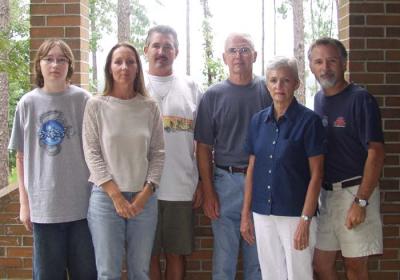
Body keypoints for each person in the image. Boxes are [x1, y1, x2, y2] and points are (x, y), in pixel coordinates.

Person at [8, 39, 97, 279]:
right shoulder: (27, 103)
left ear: (70, 65)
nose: (54, 64)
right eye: (48, 59)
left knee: (87, 273)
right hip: (44, 209)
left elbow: (97, 151)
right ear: (39, 64)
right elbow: (21, 156)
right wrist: (24, 205)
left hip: (83, 208)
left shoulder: (84, 100)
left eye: (61, 59)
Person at [82, 42, 165, 279]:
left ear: (138, 68)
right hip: (106, 200)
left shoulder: (149, 107)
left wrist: (145, 193)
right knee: (108, 272)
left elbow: (158, 153)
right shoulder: (95, 105)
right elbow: (92, 152)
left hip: (144, 200)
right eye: (118, 61)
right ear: (109, 67)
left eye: (130, 62)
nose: (124, 67)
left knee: (140, 271)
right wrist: (116, 196)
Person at [240, 56, 326, 280]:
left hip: (295, 214)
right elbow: (252, 169)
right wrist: (245, 214)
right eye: (273, 80)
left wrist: (305, 220)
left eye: (285, 80)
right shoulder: (258, 121)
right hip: (262, 212)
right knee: (271, 274)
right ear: (267, 84)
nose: (279, 86)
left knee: (299, 275)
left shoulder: (310, 122)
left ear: (296, 83)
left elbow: (317, 175)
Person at [194, 32, 272, 280]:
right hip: (224, 183)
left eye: (245, 49)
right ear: (224, 57)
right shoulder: (213, 96)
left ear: (255, 56)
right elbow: (204, 147)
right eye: (233, 50)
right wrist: (208, 191)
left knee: (257, 263)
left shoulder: (268, 90)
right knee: (224, 263)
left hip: (261, 183)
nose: (239, 55)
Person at [309, 37, 385, 280]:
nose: (325, 67)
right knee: (321, 264)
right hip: (327, 196)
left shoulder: (360, 99)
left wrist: (361, 202)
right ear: (311, 66)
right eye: (318, 62)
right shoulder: (318, 100)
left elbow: (376, 152)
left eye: (332, 60)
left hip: (356, 192)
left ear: (344, 63)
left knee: (354, 266)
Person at [144, 25, 203, 280]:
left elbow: (202, 141)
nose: (161, 51)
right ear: (146, 50)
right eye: (156, 45)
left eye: (168, 46)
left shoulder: (190, 86)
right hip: (142, 189)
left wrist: (201, 182)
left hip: (181, 187)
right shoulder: (135, 86)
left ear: (176, 52)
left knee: (176, 254)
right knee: (148, 254)